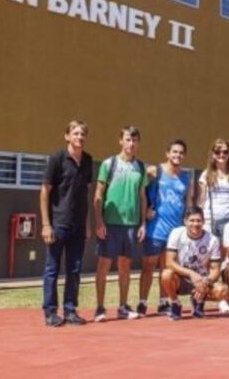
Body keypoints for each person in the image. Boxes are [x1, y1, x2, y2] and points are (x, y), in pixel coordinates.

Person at [39, 120, 93, 327]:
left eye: (83, 134)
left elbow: (86, 193)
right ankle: (50, 312)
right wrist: (46, 225)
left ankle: (70, 310)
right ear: (67, 136)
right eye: (76, 133)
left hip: (78, 226)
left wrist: (87, 224)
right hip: (58, 224)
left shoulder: (87, 161)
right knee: (52, 269)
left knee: (74, 271)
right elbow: (45, 191)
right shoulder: (57, 159)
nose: (80, 137)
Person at [93, 126, 148, 322]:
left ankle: (123, 307)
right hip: (110, 224)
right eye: (128, 139)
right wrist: (99, 222)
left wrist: (142, 224)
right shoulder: (109, 164)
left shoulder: (140, 167)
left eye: (134, 140)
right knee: (104, 266)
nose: (131, 144)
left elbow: (142, 197)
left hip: (131, 225)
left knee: (125, 266)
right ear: (121, 141)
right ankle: (100, 308)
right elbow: (98, 194)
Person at [138, 139, 194, 317]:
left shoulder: (186, 178)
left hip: (175, 231)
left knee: (167, 268)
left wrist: (189, 224)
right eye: (174, 152)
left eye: (181, 153)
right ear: (167, 153)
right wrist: (146, 210)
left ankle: (163, 302)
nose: (177, 155)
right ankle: (142, 302)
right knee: (148, 267)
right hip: (155, 228)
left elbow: (188, 203)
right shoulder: (155, 171)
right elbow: (140, 191)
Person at [162, 206, 229, 320]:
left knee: (222, 291)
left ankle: (199, 300)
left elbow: (215, 269)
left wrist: (206, 281)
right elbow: (169, 262)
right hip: (181, 278)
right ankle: (175, 303)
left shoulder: (212, 240)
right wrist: (191, 274)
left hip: (202, 280)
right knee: (166, 274)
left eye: (198, 220)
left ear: (203, 221)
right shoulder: (176, 233)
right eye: (192, 220)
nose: (195, 224)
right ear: (185, 221)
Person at [198, 138, 229, 241]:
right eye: (217, 152)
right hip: (210, 219)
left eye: (225, 152)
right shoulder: (206, 174)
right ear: (213, 154)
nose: (221, 155)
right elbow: (201, 200)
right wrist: (200, 217)